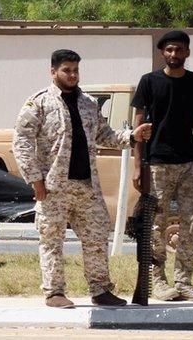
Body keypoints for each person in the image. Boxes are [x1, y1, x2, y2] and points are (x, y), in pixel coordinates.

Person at [13, 49, 152, 309]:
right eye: (66, 70)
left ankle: (100, 290)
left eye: (76, 70)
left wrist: (133, 136)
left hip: (86, 187)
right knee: (52, 239)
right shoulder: (39, 103)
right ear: (53, 71)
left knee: (97, 237)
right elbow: (21, 141)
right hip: (53, 187)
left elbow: (105, 135)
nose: (72, 75)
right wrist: (35, 180)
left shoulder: (88, 103)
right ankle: (54, 292)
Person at [130, 30, 193, 302]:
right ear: (162, 53)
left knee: (191, 224)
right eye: (169, 50)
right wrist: (137, 165)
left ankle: (184, 282)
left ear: (187, 52)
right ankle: (158, 281)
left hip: (188, 162)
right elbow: (138, 127)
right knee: (156, 224)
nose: (173, 55)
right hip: (157, 163)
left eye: (179, 50)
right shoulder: (149, 82)